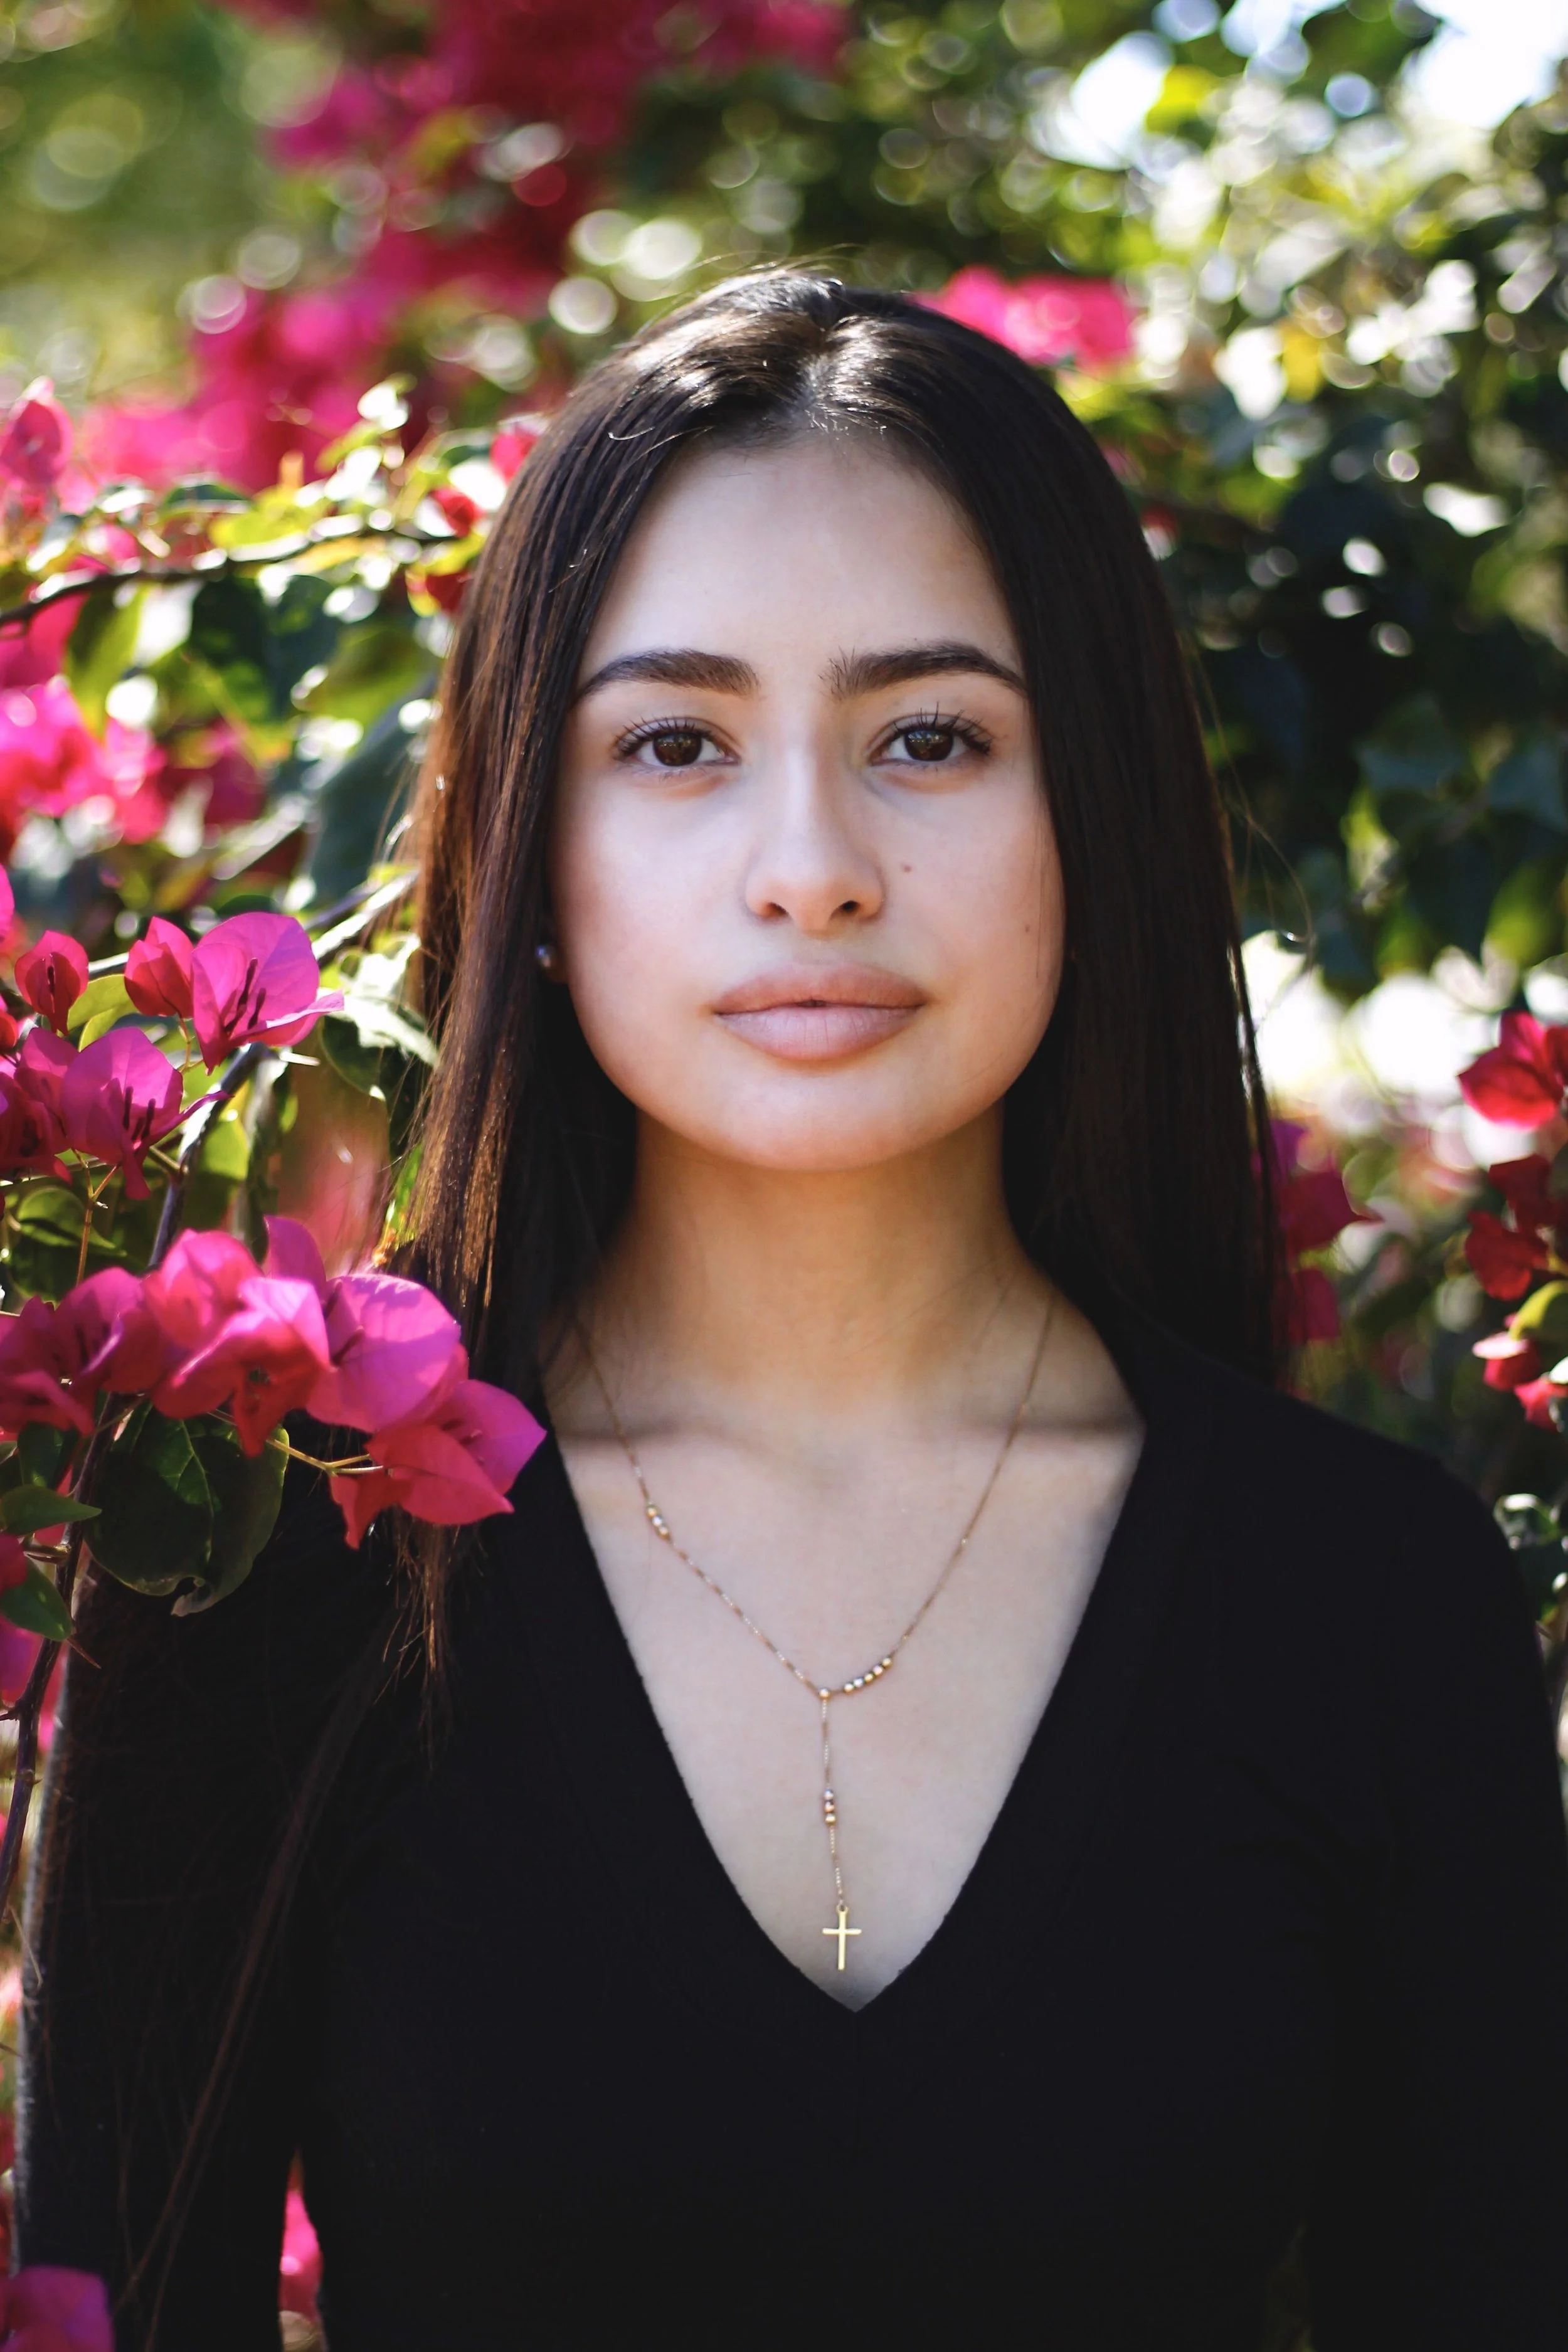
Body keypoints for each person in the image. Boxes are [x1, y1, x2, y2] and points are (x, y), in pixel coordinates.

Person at [15, 271, 1568, 2351]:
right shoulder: (258, 1563)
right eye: (673, 743)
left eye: (929, 736)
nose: (810, 864)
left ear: (1086, 810)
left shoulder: (1364, 1595)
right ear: (529, 851)